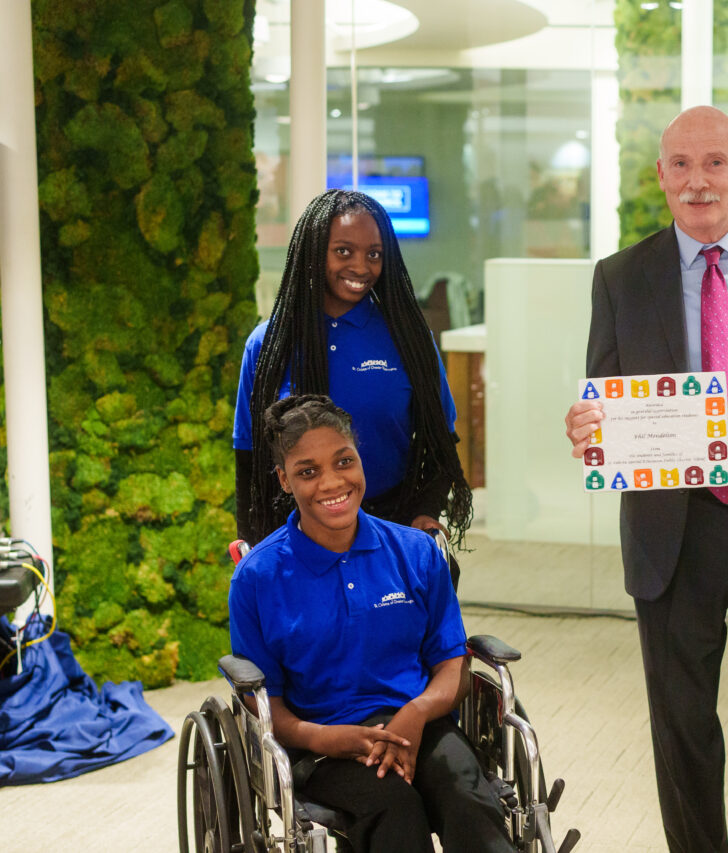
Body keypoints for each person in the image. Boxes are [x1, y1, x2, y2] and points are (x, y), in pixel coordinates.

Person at [564, 106, 728, 852]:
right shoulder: (622, 278)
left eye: (715, 162)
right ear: (661, 177)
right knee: (684, 727)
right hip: (675, 532)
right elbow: (607, 402)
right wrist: (591, 431)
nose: (697, 180)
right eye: (680, 164)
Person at [228, 394, 513, 853]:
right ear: (284, 479)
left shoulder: (415, 553)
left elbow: (452, 664)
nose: (332, 482)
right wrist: (327, 738)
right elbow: (266, 707)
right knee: (393, 808)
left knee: (466, 793)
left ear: (361, 461)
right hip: (323, 742)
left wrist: (417, 713)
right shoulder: (258, 578)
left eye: (344, 461)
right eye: (307, 471)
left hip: (417, 720)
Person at [233, 189, 471, 546]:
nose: (361, 267)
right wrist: (254, 548)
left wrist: (426, 512)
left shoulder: (408, 338)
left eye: (374, 254)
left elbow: (441, 444)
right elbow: (249, 458)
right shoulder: (268, 344)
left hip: (393, 527)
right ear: (314, 252)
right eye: (344, 251)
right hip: (297, 536)